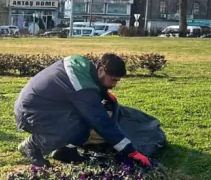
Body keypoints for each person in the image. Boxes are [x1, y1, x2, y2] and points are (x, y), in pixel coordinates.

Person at [13, 53, 151, 167]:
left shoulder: (83, 66)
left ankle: (67, 151)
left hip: (43, 107)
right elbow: (100, 120)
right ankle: (32, 145)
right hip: (31, 113)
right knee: (81, 122)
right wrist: (130, 151)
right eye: (113, 80)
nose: (114, 85)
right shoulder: (82, 87)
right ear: (101, 70)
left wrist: (102, 93)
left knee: (84, 121)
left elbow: (81, 88)